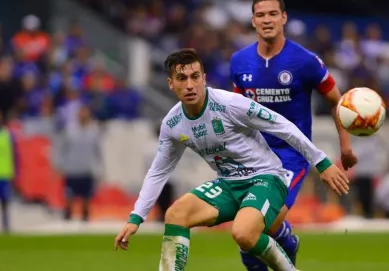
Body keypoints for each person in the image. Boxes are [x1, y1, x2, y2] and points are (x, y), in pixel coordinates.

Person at [114, 49, 350, 271]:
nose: (189, 84)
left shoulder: (230, 104)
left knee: (243, 234)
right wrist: (136, 218)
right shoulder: (172, 124)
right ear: (171, 84)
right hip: (228, 184)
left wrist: (321, 161)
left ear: (204, 78)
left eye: (195, 76)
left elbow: (283, 126)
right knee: (176, 214)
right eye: (182, 78)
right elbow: (158, 171)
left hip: (266, 178)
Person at [229, 0, 358, 268]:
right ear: (253, 21)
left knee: (265, 222)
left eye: (273, 14)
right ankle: (285, 241)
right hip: (253, 155)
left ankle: (286, 240)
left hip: (291, 154)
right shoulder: (239, 62)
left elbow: (338, 101)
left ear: (283, 18)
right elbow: (237, 111)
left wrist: (345, 147)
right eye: (261, 15)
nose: (267, 20)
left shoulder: (305, 61)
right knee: (248, 231)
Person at [0, 109, 17, 233]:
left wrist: (14, 172)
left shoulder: (7, 134)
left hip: (3, 173)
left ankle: (5, 226)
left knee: (4, 202)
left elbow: (14, 155)